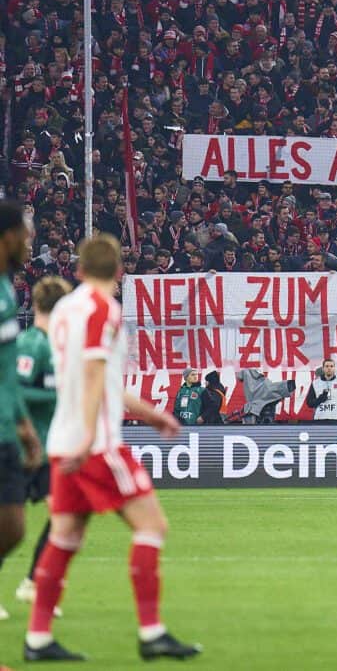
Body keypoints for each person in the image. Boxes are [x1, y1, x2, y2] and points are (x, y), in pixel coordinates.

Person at [24, 234, 199, 661]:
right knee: (152, 526)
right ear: (119, 271)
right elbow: (95, 376)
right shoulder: (105, 309)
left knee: (65, 536)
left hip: (62, 440)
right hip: (96, 443)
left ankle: (38, 638)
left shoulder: (64, 311)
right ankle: (152, 632)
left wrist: (152, 415)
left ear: (79, 270)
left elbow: (97, 379)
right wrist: (89, 436)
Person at [8, 277, 70, 616]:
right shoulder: (32, 344)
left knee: (64, 517)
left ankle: (34, 583)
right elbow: (16, 391)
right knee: (9, 526)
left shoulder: (57, 347)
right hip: (21, 447)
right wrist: (57, 394)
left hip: (49, 449)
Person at [0, 201, 43, 619]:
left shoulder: (7, 290)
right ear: (8, 237)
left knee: (12, 528)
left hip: (7, 427)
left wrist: (25, 426)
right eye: (26, 235)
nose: (30, 244)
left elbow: (7, 372)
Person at [304, 359, 337, 423]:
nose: (329, 368)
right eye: (327, 366)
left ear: (334, 368)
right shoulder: (315, 383)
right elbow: (309, 403)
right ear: (323, 368)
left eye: (331, 366)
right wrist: (320, 399)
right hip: (319, 419)